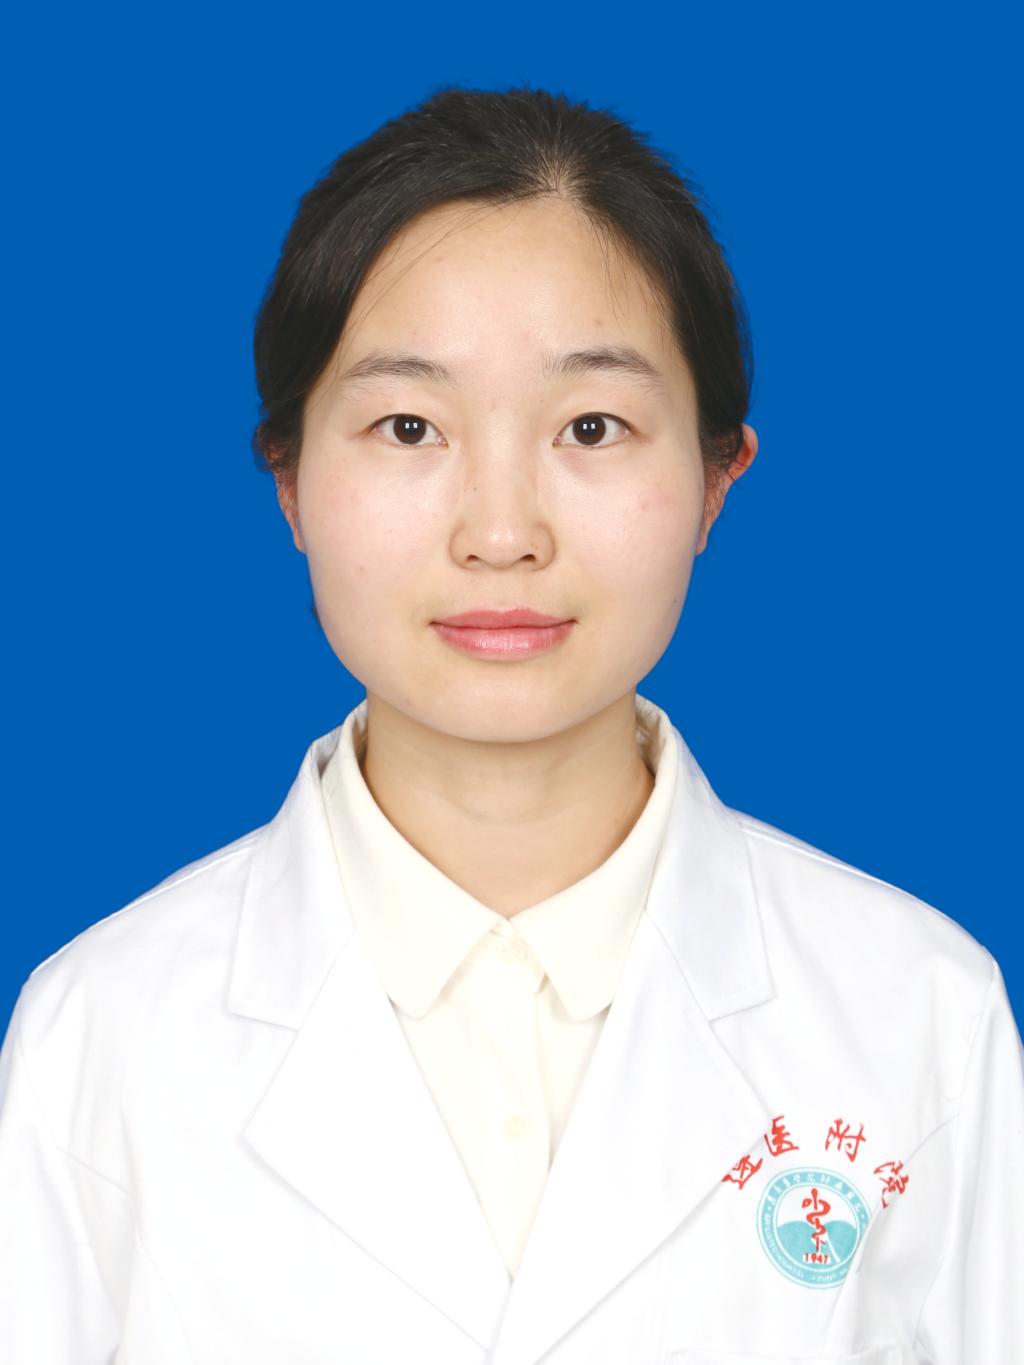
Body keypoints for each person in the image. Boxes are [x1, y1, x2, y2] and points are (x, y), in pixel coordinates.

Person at [0, 84, 1020, 1365]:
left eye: (590, 427)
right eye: (408, 427)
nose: (500, 531)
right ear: (290, 479)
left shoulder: (918, 1015)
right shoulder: (100, 1034)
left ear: (717, 477)